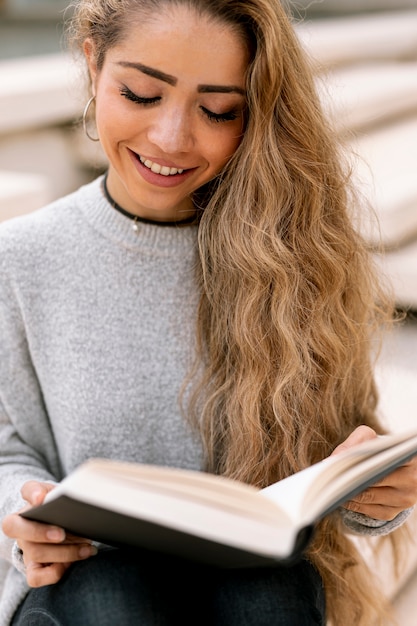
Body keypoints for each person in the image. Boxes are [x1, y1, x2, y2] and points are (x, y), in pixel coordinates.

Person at [0, 0, 416, 624]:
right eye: (141, 94)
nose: (171, 139)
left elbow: (334, 460)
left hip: (249, 580)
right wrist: (24, 517)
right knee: (113, 596)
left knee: (269, 597)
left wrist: (378, 494)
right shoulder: (20, 258)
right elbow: (8, 452)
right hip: (87, 584)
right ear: (93, 65)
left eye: (218, 110)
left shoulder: (295, 259)